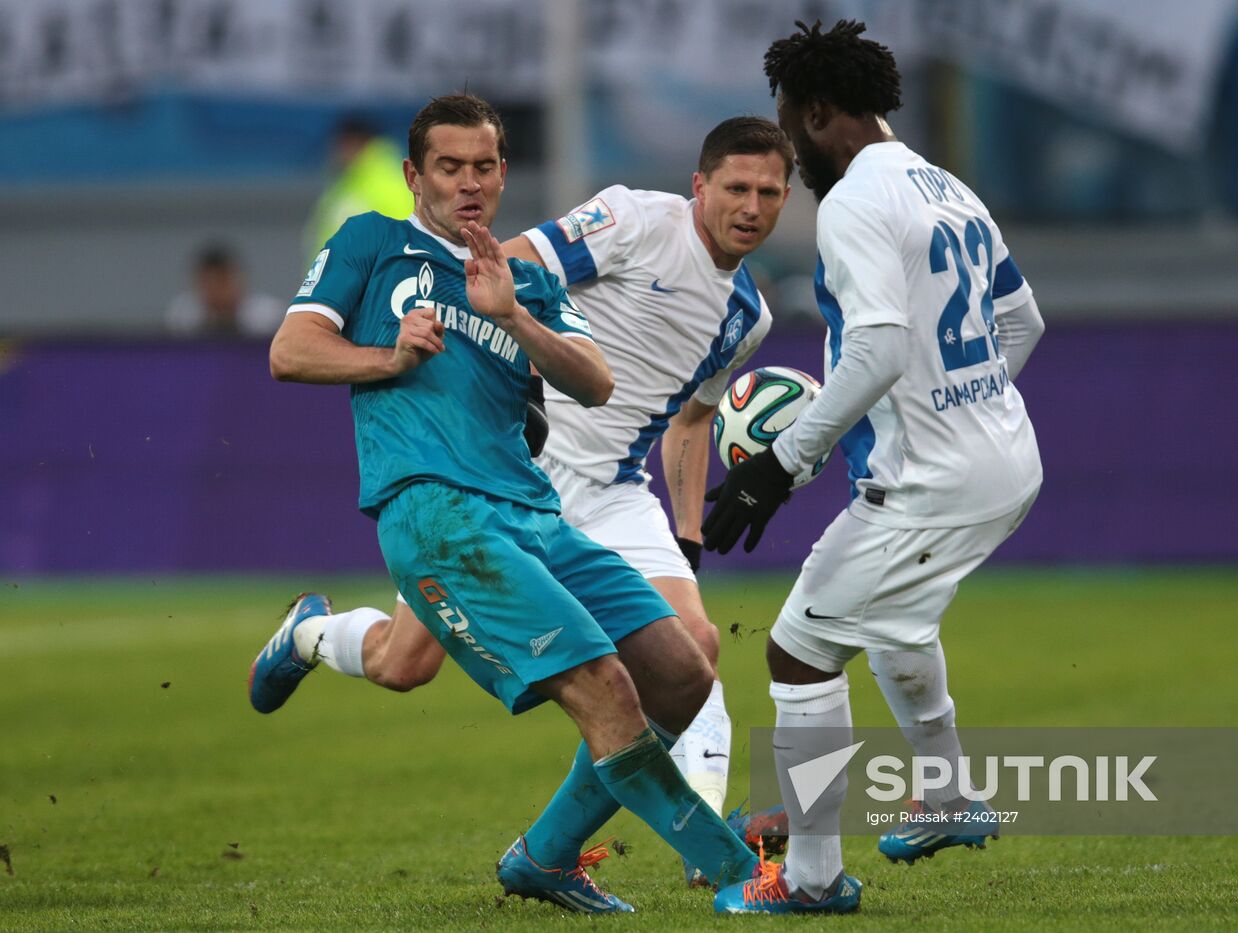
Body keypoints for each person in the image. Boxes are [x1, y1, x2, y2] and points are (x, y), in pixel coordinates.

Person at [250, 116, 796, 883]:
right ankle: (311, 634)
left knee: (691, 650)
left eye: (769, 192)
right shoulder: (636, 219)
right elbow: (496, 260)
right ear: (700, 186)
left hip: (607, 487)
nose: (751, 205)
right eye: (737, 187)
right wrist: (474, 364)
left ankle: (623, 848)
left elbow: (695, 418)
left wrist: (685, 532)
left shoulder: (749, 316)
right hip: (516, 463)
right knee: (406, 663)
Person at [704, 21, 1045, 914]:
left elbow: (880, 351)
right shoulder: (949, 186)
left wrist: (777, 465)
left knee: (801, 649)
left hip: (936, 481)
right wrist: (967, 403)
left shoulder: (855, 199)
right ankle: (949, 796)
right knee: (894, 621)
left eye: (789, 122)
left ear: (818, 112)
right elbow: (1024, 322)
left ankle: (812, 879)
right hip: (1006, 457)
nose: (790, 149)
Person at [302, 116, 415, 263]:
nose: (336, 153)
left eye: (341, 145)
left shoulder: (391, 185)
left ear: (356, 142)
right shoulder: (346, 184)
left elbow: (405, 242)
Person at [164, 243, 283, 338]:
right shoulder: (182, 317)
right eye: (208, 283)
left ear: (239, 280)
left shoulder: (269, 316)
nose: (216, 290)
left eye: (222, 281)